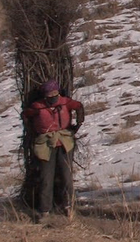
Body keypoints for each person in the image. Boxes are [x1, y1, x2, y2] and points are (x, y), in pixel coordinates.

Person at [21, 79, 85, 220]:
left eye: (55, 93)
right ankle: (45, 210)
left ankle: (68, 206)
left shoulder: (65, 102)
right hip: (45, 144)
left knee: (66, 177)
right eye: (50, 95)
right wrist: (33, 131)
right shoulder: (37, 107)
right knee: (46, 178)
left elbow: (79, 107)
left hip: (64, 143)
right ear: (45, 96)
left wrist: (78, 124)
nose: (53, 97)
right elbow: (25, 115)